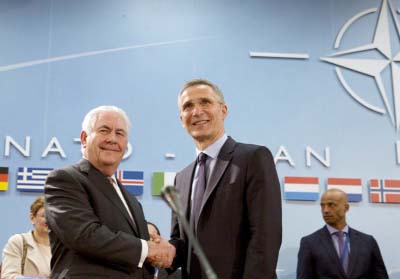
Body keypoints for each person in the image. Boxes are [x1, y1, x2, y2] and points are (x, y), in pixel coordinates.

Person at [44, 105, 175, 279]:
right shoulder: (64, 179)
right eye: (104, 130)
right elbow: (85, 235)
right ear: (84, 138)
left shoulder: (129, 198)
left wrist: (153, 236)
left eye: (119, 133)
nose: (112, 139)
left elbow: (124, 232)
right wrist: (148, 249)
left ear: (125, 144)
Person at [169, 79, 282, 279]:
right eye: (188, 106)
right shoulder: (181, 179)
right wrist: (155, 250)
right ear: (181, 119)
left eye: (205, 102)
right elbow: (181, 242)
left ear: (223, 110)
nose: (196, 111)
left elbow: (265, 236)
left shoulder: (253, 158)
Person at [297, 188, 389, 279]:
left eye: (331, 205)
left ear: (346, 208)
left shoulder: (368, 242)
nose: (325, 210)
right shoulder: (309, 243)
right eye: (322, 206)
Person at [2, 196, 51, 279]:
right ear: (32, 218)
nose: (50, 220)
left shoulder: (64, 246)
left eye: (54, 216)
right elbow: (8, 276)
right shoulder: (18, 242)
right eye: (44, 216)